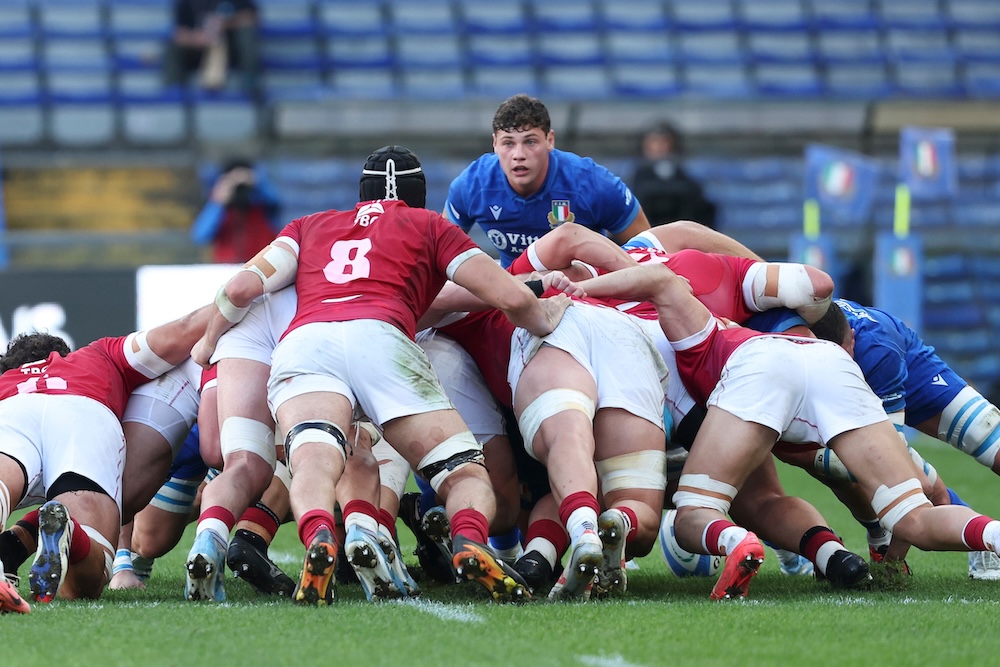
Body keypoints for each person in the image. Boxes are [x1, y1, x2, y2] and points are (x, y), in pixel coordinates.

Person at [190, 145, 570, 605]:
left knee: (312, 462)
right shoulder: (429, 225)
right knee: (462, 471)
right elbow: (504, 295)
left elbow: (238, 288)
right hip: (383, 338)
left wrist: (207, 343)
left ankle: (318, 536)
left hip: (307, 340)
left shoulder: (310, 225)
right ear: (419, 196)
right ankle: (468, 538)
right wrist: (544, 313)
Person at [556, 263, 1000, 601]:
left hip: (760, 372)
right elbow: (665, 278)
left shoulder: (694, 329)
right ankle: (993, 535)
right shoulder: (742, 304)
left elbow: (658, 280)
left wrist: (578, 289)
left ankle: (738, 541)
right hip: (831, 368)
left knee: (696, 510)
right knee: (912, 517)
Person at [0, 305, 210, 610]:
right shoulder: (99, 354)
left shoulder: (7, 382)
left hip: (11, 412)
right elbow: (185, 329)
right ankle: (70, 532)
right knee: (88, 580)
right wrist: (247, 291)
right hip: (83, 416)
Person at [802, 298, 1000, 580]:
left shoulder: (874, 349)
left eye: (850, 347)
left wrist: (894, 559)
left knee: (987, 432)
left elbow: (894, 468)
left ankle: (978, 535)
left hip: (902, 360)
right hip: (824, 381)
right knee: (828, 463)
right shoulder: (778, 343)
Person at [443, 93, 651, 267]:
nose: (518, 154)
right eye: (508, 143)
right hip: (512, 292)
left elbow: (648, 252)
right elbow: (440, 255)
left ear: (549, 140)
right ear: (495, 144)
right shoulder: (472, 185)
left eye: (530, 142)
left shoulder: (593, 184)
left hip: (585, 295)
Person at [190, 157, 283, 264]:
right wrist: (217, 202)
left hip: (263, 268)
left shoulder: (264, 205)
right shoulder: (220, 209)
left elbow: (276, 202)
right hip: (228, 270)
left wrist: (258, 184)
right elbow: (200, 236)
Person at [628, 121, 716, 229]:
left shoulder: (685, 174)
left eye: (663, 142)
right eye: (654, 142)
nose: (658, 147)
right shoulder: (636, 176)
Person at [163, 0, 260, 92]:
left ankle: (250, 78)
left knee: (246, 33)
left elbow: (251, 17)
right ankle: (174, 90)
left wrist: (225, 24)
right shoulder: (186, 3)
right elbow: (179, 33)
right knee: (173, 47)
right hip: (199, 47)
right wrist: (198, 38)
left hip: (230, 48)